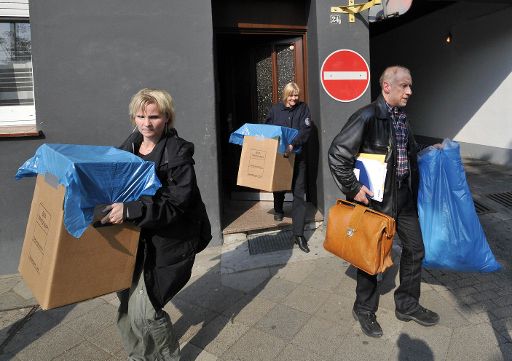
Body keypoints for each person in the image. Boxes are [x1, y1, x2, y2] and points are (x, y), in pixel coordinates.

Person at [328, 66, 439, 338]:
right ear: (387, 87)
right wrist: (354, 188)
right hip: (376, 201)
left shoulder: (402, 118)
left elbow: (405, 153)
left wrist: (429, 151)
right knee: (370, 256)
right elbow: (337, 154)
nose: (410, 91)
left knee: (415, 250)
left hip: (404, 198)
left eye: (410, 86)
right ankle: (364, 309)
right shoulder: (367, 116)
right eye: (404, 86)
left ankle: (407, 304)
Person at [101, 88, 211, 360]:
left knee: (147, 310)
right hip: (133, 240)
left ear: (167, 118)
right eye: (140, 116)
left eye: (154, 116)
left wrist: (130, 210)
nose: (146, 123)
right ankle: (139, 356)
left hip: (168, 242)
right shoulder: (130, 145)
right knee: (128, 306)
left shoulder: (178, 154)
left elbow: (177, 205)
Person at [265, 82, 313, 253]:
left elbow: (305, 130)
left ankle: (298, 234)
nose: (294, 99)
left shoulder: (303, 109)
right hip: (280, 157)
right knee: (279, 185)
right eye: (291, 95)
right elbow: (268, 129)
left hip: (298, 157)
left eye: (296, 95)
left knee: (299, 194)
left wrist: (292, 144)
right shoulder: (275, 110)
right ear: (285, 95)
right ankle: (278, 208)